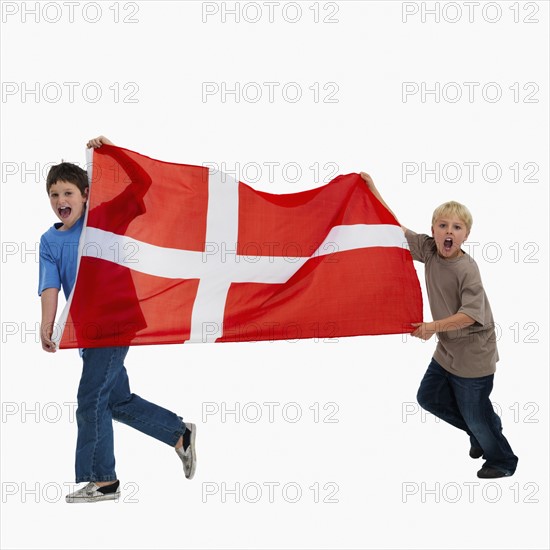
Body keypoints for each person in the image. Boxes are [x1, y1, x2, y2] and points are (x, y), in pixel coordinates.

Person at [39, 136, 197, 503]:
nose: (61, 201)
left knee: (90, 398)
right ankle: (179, 433)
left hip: (116, 321)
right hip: (86, 330)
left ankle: (104, 481)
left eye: (68, 193)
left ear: (84, 195)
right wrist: (48, 324)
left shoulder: (105, 218)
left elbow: (144, 184)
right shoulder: (49, 240)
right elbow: (49, 286)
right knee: (115, 401)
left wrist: (114, 152)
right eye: (53, 194)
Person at [360, 172, 518, 478]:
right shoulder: (430, 250)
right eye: (442, 225)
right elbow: (394, 229)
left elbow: (470, 315)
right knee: (428, 397)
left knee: (476, 415)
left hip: (473, 357)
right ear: (433, 230)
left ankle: (502, 460)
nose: (449, 232)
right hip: (447, 352)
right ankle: (485, 429)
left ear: (465, 236)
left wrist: (431, 327)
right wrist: (372, 189)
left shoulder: (466, 269)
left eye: (456, 228)